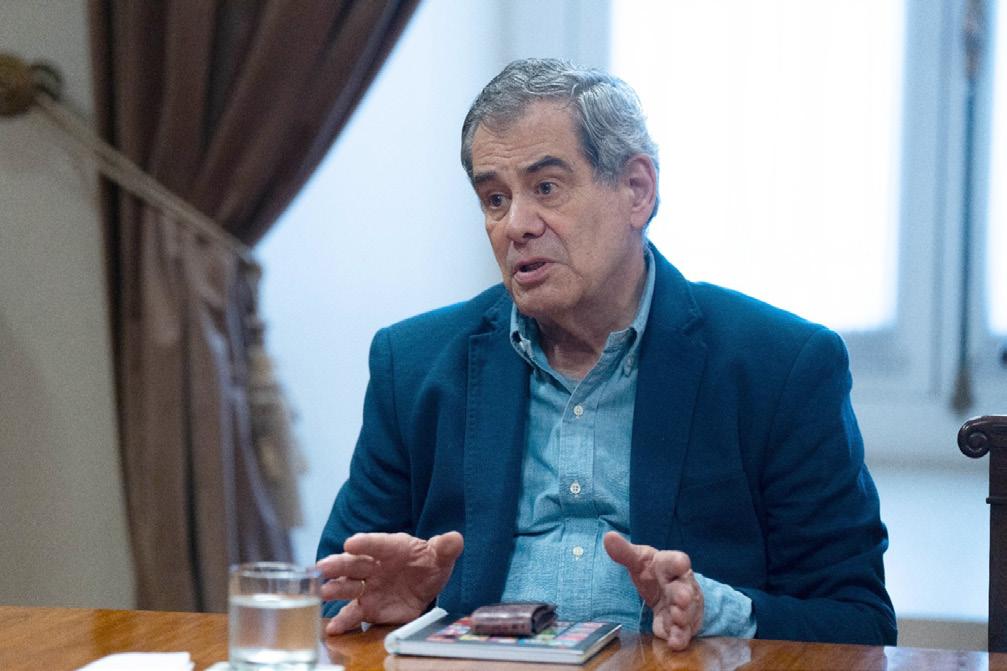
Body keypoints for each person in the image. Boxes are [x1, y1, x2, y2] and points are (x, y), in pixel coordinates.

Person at [316, 58, 896, 650]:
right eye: (494, 198)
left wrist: (713, 610)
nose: (516, 225)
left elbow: (858, 622)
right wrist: (401, 605)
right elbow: (335, 589)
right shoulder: (412, 365)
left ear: (636, 190)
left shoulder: (781, 366)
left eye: (546, 188)